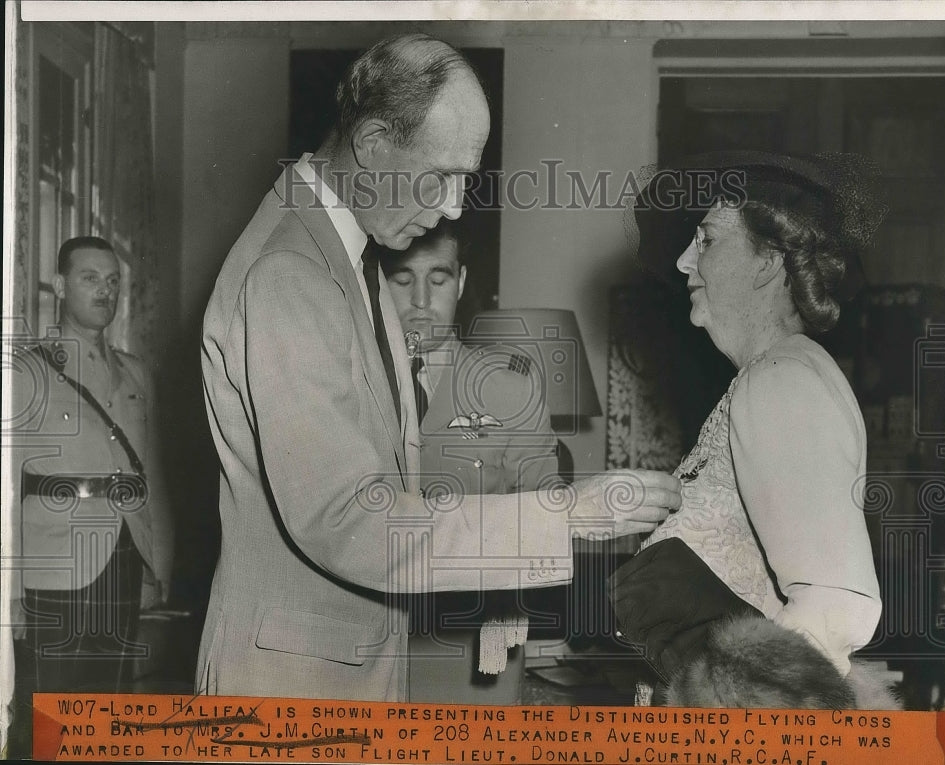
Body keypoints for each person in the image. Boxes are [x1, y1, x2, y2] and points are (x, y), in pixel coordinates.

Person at [198, 33, 680, 701]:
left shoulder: (339, 257)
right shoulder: (291, 273)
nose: (454, 207)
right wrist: (566, 515)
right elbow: (347, 518)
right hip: (294, 682)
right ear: (371, 145)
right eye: (442, 176)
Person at [614, 151, 886, 707]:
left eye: (708, 240)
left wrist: (736, 722)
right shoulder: (774, 375)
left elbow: (841, 600)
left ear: (767, 261)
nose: (686, 262)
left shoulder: (782, 380)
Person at [380, 221, 558, 703]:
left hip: (472, 638)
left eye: (437, 280)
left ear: (459, 283)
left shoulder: (508, 386)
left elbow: (546, 514)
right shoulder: (350, 387)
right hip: (369, 637)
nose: (420, 300)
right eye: (401, 279)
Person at [9, 236, 174, 703]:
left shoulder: (135, 373)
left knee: (110, 702)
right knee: (52, 710)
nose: (106, 291)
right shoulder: (26, 372)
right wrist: (10, 590)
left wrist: (153, 566)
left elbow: (149, 478)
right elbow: (5, 492)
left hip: (121, 559)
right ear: (60, 286)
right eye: (90, 278)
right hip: (53, 565)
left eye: (113, 281)